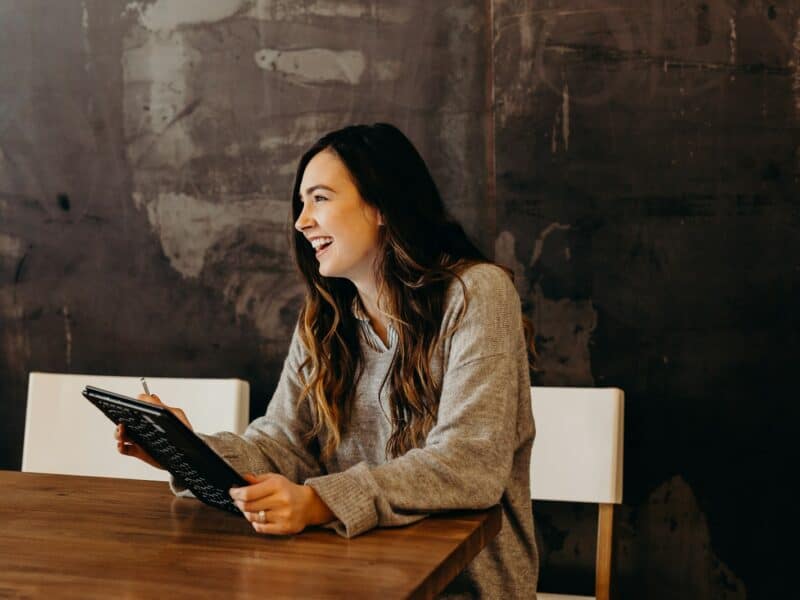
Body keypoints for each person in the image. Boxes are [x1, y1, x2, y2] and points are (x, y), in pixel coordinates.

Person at [114, 123, 539, 598]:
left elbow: (469, 464)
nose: (301, 221)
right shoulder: (324, 320)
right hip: (348, 576)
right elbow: (282, 447)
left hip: (460, 587)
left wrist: (319, 503)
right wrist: (187, 451)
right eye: (301, 204)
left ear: (381, 205)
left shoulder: (476, 295)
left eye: (319, 198)